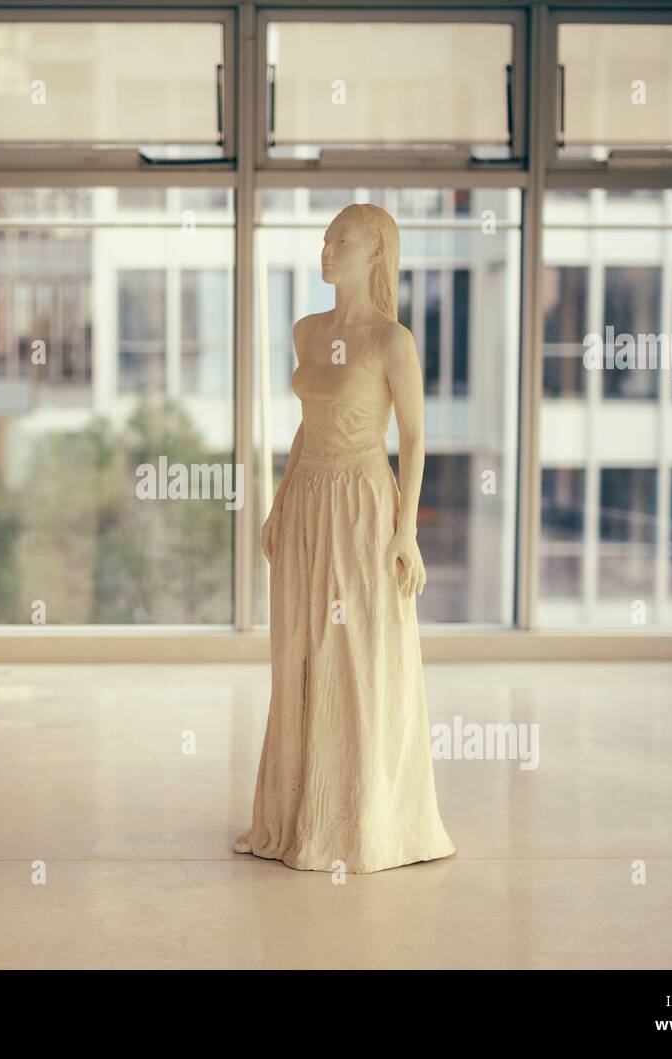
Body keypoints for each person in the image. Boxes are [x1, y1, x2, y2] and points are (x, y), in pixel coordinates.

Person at [233, 203, 456, 874]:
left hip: (362, 504)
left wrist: (405, 531)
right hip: (307, 503)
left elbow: (414, 438)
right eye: (326, 237)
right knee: (301, 650)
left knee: (358, 654)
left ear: (376, 254)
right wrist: (277, 502)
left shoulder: (393, 342)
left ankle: (364, 820)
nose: (327, 249)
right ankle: (304, 811)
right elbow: (307, 425)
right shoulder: (306, 332)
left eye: (344, 240)